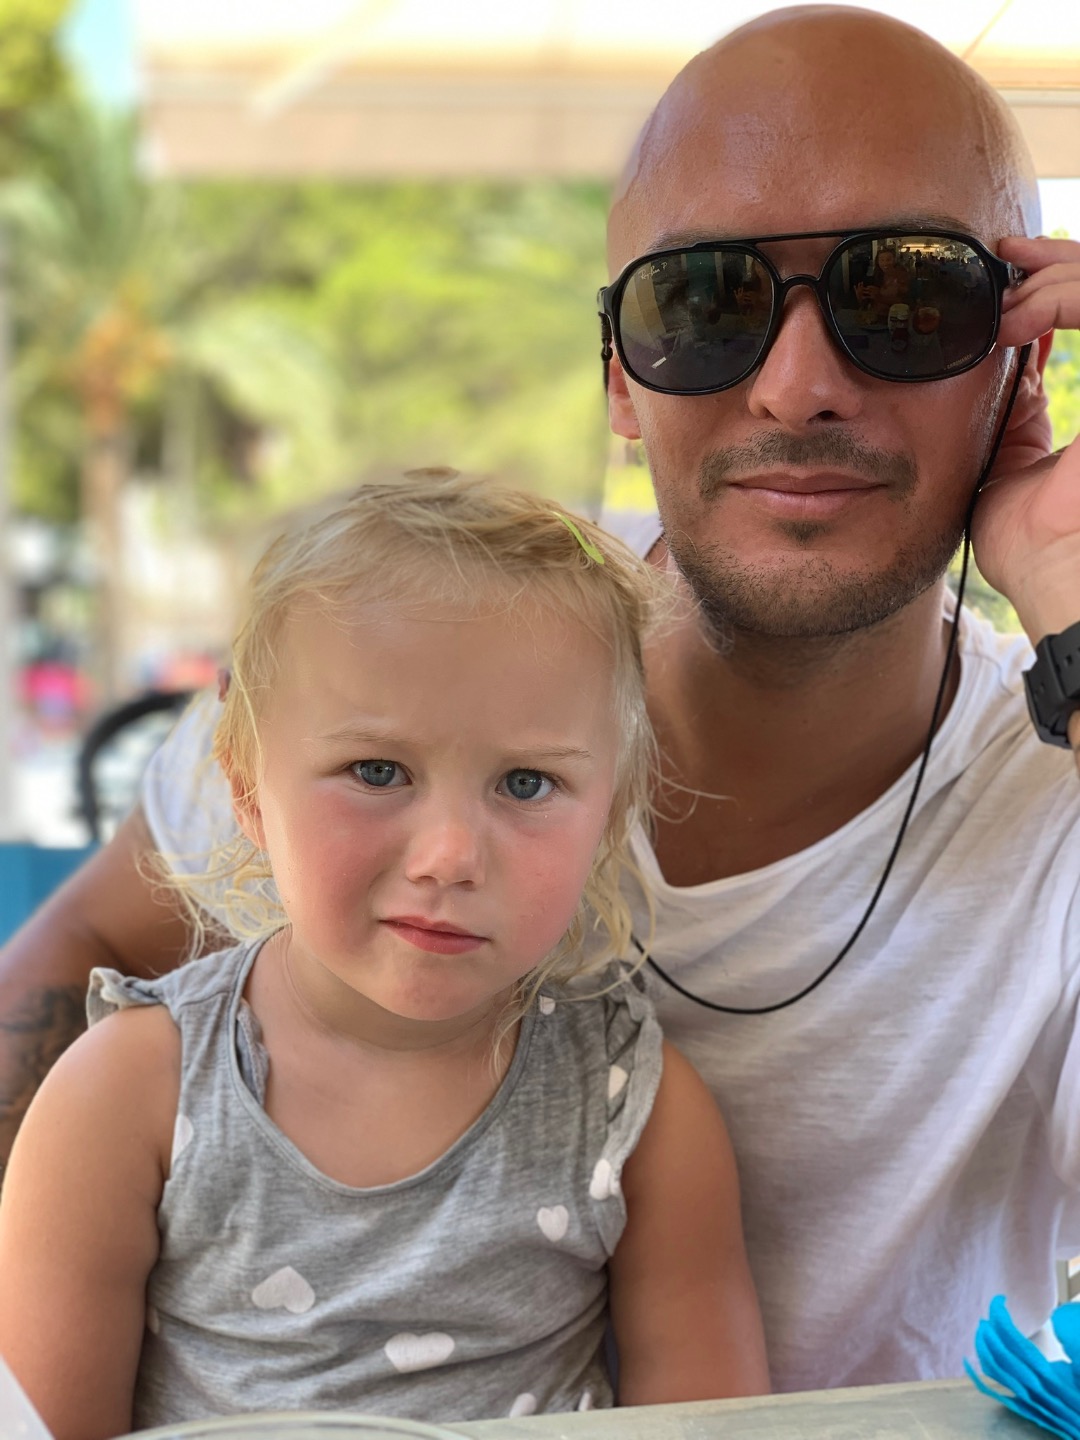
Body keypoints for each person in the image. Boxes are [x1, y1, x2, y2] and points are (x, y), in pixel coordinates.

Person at [2, 0, 1080, 1396]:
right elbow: (78, 954)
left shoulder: (1055, 779)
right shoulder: (425, 645)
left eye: (908, 301)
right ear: (622, 378)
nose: (801, 386)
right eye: (706, 303)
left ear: (1022, 357)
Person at [0, 473, 769, 1440]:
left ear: (610, 811)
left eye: (527, 783)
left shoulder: (631, 1109)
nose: (450, 856)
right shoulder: (129, 1093)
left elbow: (713, 1427)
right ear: (247, 786)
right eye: (377, 771)